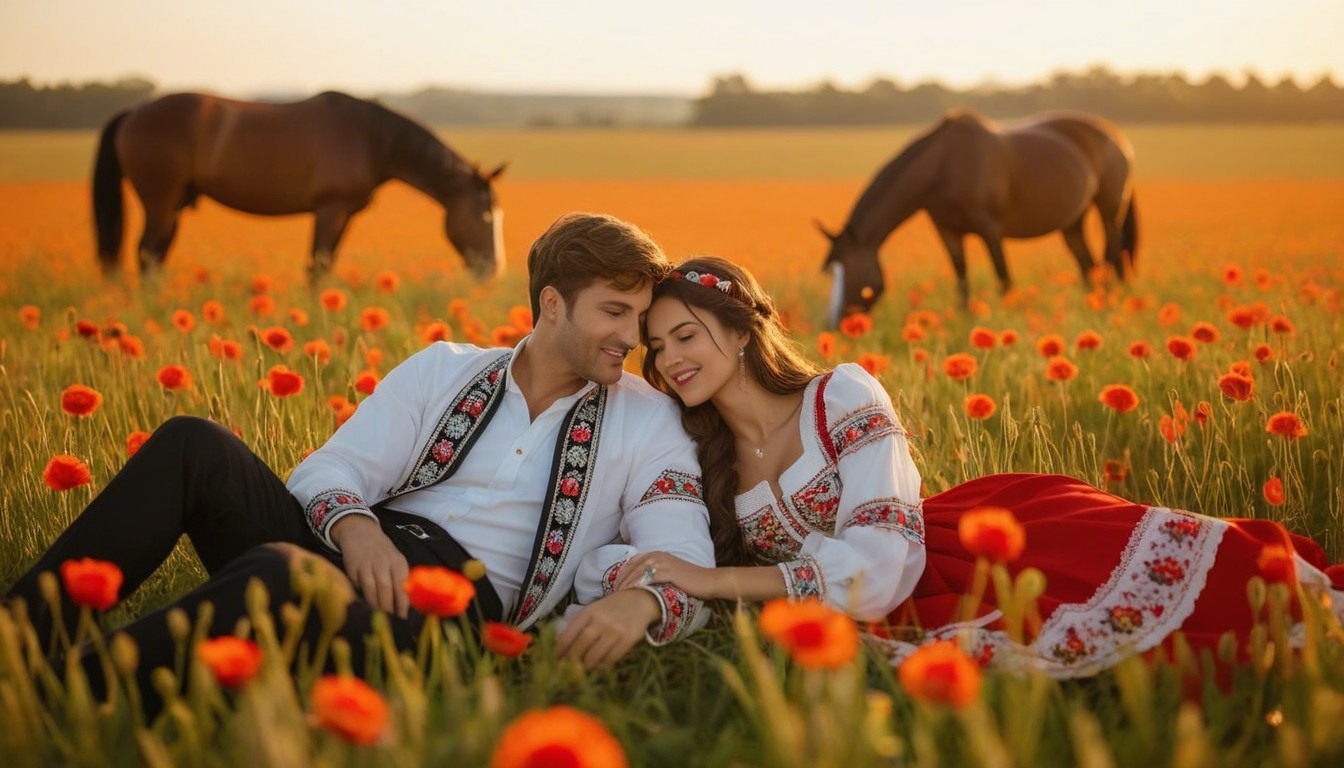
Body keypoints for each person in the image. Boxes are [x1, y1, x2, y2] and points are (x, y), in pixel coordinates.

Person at [5, 212, 714, 708]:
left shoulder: (648, 421)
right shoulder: (445, 368)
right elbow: (327, 471)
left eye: (638, 317)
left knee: (282, 574)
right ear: (553, 304)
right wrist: (357, 529)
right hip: (357, 548)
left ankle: (47, 696)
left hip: (443, 622)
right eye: (615, 313)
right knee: (194, 444)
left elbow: (681, 551)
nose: (633, 338)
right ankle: (15, 640)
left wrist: (643, 598)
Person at [619, 255, 1344, 676]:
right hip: (858, 613)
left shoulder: (838, 395)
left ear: (743, 330)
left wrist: (715, 580)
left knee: (1227, 610)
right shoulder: (692, 448)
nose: (671, 359)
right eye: (655, 348)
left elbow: (884, 561)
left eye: (685, 335)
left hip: (948, 557)